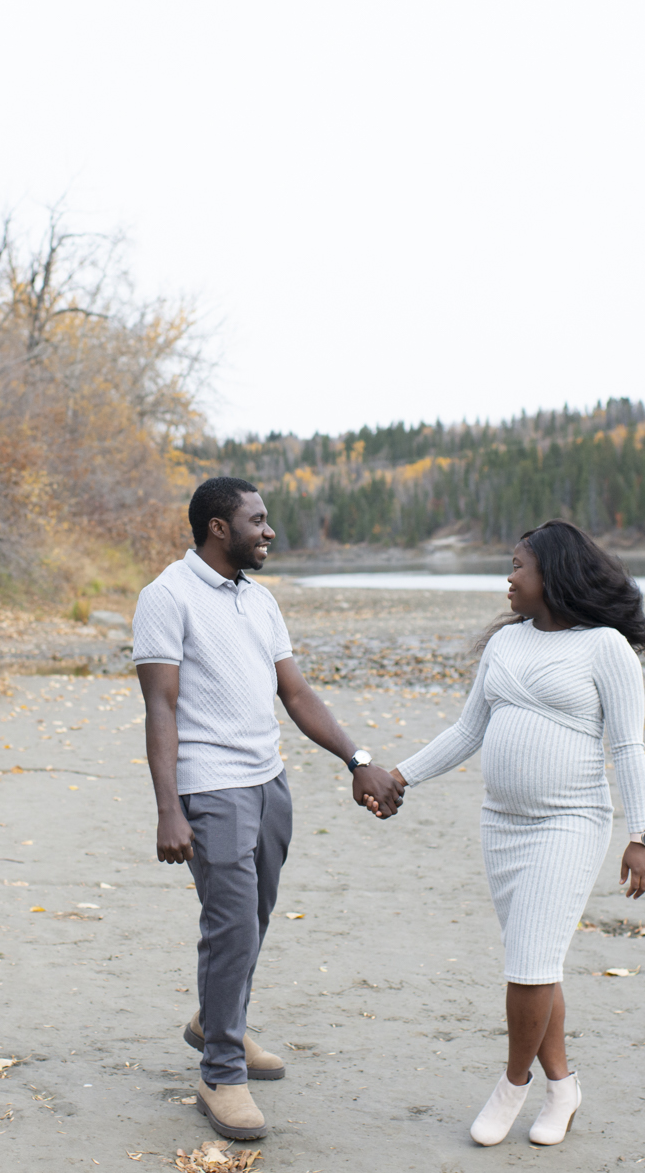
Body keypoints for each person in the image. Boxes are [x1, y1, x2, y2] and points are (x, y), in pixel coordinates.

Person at [134, 477, 405, 1142]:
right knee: (230, 926)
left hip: (269, 783)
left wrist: (357, 759)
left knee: (251, 920)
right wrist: (169, 809)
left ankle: (215, 1021)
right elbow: (160, 706)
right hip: (210, 787)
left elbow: (297, 692)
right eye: (257, 520)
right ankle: (221, 1073)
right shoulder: (167, 595)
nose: (269, 530)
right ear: (218, 527)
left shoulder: (259, 599)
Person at [385, 520, 645, 1147]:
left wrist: (642, 835)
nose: (508, 577)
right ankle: (563, 1088)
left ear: (552, 574)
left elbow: (628, 747)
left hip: (569, 823)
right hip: (502, 825)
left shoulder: (605, 648)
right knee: (536, 961)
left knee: (529, 965)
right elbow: (466, 732)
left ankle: (512, 1085)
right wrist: (398, 777)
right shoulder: (506, 643)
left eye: (517, 566)